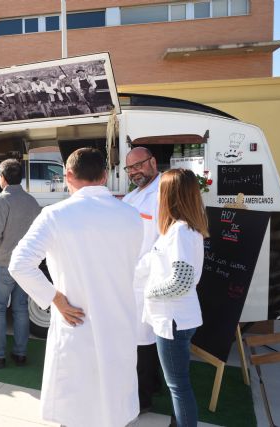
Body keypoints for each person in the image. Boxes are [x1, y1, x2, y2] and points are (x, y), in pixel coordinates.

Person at [9, 148, 143, 427]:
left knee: (76, 411)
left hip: (76, 324)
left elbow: (19, 264)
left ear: (67, 175)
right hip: (120, 324)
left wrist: (54, 298)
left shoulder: (55, 215)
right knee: (113, 408)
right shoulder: (131, 215)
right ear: (105, 176)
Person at [136, 168, 208, 427]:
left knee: (178, 385)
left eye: (161, 191)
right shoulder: (181, 229)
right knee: (177, 383)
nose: (156, 197)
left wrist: (148, 293)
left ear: (171, 195)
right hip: (176, 318)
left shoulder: (179, 232)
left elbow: (182, 280)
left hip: (173, 320)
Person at [0, 159, 41, 369]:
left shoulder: (2, 200)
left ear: (3, 178)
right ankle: (20, 353)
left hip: (3, 264)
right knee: (21, 310)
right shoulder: (32, 201)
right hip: (25, 266)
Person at [123, 146, 163, 413]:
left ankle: (143, 399)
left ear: (153, 162)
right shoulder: (131, 197)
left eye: (139, 165)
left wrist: (135, 270)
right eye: (130, 169)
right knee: (137, 342)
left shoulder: (164, 194)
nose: (135, 171)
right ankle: (151, 386)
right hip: (129, 281)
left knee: (143, 342)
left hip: (146, 281)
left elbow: (164, 245)